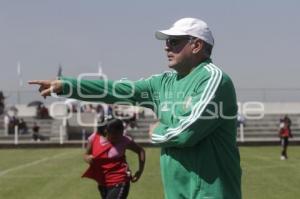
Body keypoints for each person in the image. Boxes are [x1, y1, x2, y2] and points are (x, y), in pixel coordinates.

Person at [29, 17, 241, 199]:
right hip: (176, 192)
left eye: (174, 41)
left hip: (212, 194)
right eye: (167, 42)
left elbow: (185, 134)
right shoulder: (163, 83)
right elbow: (118, 90)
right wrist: (67, 86)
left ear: (196, 46)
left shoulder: (213, 79)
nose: (166, 47)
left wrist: (155, 131)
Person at [82, 118, 145, 199]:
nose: (118, 138)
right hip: (103, 183)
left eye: (120, 134)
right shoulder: (94, 138)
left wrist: (140, 171)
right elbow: (86, 155)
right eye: (114, 135)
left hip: (120, 181)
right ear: (106, 131)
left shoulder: (124, 140)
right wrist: (88, 158)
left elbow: (141, 151)